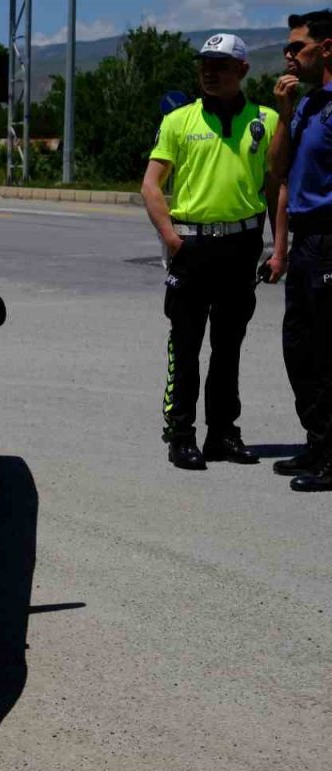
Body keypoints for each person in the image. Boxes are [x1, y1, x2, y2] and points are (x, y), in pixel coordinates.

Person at [140, 33, 278, 471]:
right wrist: (171, 238)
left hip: (241, 246)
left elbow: (275, 186)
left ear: (243, 70)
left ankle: (222, 435)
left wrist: (280, 248)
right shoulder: (179, 120)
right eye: (204, 64)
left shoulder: (266, 120)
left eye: (220, 65)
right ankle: (181, 435)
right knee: (186, 345)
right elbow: (151, 185)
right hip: (192, 246)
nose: (209, 72)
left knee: (228, 347)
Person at [267, 10, 332, 491]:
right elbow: (278, 172)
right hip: (306, 241)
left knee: (327, 351)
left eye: (297, 47)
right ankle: (318, 442)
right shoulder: (307, 104)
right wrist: (285, 112)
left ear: (326, 48)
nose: (288, 55)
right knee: (300, 347)